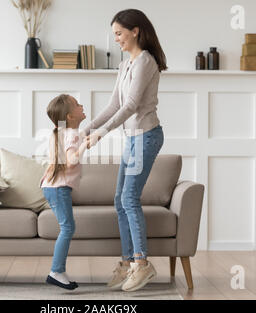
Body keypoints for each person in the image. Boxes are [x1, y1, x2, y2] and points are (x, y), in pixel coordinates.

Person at [83, 9, 167, 292]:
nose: (116, 39)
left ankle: (142, 264)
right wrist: (88, 128)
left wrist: (101, 134)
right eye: (114, 34)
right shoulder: (125, 65)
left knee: (130, 197)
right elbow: (113, 105)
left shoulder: (146, 61)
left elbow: (130, 105)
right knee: (120, 198)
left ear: (136, 31)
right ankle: (129, 260)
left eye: (119, 33)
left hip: (146, 136)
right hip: (132, 138)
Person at [40, 94, 89, 290]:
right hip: (58, 188)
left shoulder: (62, 132)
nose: (82, 104)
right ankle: (56, 271)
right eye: (78, 104)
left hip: (53, 187)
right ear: (70, 116)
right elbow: (71, 161)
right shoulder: (71, 135)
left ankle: (58, 270)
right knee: (67, 228)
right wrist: (85, 145)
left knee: (68, 227)